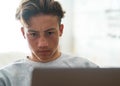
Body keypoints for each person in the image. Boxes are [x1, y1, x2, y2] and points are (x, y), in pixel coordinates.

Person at [0, 0, 99, 86]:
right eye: (33, 34)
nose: (42, 44)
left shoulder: (87, 69)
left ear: (60, 30)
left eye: (50, 33)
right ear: (23, 33)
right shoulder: (6, 77)